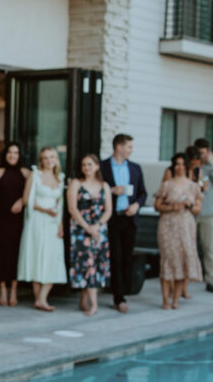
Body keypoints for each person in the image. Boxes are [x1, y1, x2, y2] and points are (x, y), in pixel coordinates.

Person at [100, 134, 147, 313]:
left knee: (127, 257)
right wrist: (112, 190)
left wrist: (136, 205)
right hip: (112, 218)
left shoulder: (135, 168)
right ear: (119, 147)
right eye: (129, 146)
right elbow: (96, 190)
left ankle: (122, 290)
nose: (131, 150)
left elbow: (143, 193)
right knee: (116, 258)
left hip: (130, 218)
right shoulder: (103, 167)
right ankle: (119, 298)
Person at [17, 147, 67, 311]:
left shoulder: (60, 177)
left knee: (53, 259)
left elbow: (60, 205)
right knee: (36, 257)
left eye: (51, 156)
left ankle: (41, 298)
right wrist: (45, 210)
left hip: (53, 224)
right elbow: (26, 200)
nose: (49, 160)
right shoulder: (35, 175)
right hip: (37, 222)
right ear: (41, 160)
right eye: (45, 157)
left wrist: (60, 226)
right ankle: (40, 300)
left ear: (56, 159)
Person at [154, 153, 203, 309]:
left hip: (186, 225)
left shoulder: (193, 186)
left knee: (184, 259)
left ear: (187, 166)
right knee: (168, 259)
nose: (180, 167)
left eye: (183, 164)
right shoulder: (167, 184)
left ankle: (176, 300)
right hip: (168, 225)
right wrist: (172, 207)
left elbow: (198, 209)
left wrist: (189, 205)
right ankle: (165, 300)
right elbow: (157, 205)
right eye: (177, 164)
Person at [67, 155, 112, 316]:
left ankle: (84, 300)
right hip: (81, 230)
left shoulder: (104, 185)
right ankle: (94, 304)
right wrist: (87, 227)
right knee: (87, 265)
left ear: (97, 166)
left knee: (96, 264)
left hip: (99, 230)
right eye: (84, 164)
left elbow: (108, 210)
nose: (86, 167)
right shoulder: (76, 183)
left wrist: (97, 226)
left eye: (90, 164)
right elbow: (72, 208)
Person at [0, 141, 30, 306]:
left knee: (15, 254)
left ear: (20, 156)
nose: (12, 155)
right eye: (10, 153)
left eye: (16, 153)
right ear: (5, 155)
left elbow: (29, 195)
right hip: (1, 218)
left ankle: (13, 290)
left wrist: (21, 201)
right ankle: (3, 290)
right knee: (1, 253)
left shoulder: (27, 173)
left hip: (19, 220)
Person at [193, 138, 213, 292]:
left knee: (209, 248)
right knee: (189, 247)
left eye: (203, 154)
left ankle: (210, 279)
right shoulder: (192, 167)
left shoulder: (210, 168)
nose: (201, 156)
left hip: (208, 213)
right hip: (190, 213)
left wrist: (211, 163)